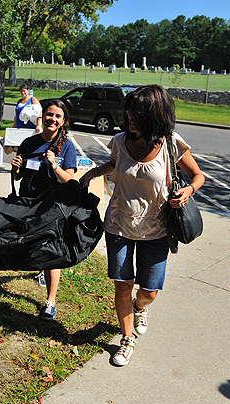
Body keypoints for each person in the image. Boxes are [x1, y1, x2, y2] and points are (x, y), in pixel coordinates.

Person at [80, 85, 205, 366]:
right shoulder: (120, 140)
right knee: (122, 285)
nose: (130, 117)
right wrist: (94, 172)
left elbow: (198, 175)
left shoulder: (171, 144)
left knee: (149, 291)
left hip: (158, 229)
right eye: (128, 111)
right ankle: (126, 339)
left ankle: (140, 308)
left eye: (137, 112)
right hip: (119, 225)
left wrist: (188, 191)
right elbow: (115, 164)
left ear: (156, 114)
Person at [11, 99, 77, 320]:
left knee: (52, 252)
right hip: (28, 204)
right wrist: (15, 169)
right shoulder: (29, 143)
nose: (53, 119)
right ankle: (40, 270)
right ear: (43, 116)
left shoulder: (66, 147)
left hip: (52, 206)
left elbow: (70, 180)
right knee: (32, 246)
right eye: (50, 114)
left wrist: (54, 165)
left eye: (58, 116)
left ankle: (50, 301)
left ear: (63, 121)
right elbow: (18, 177)